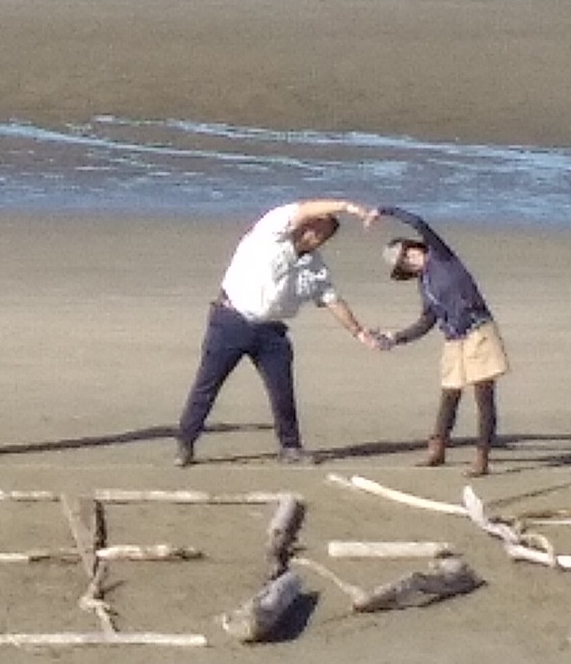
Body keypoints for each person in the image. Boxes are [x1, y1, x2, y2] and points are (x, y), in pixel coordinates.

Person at [173, 197, 386, 467]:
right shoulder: (271, 232)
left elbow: (333, 301)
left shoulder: (315, 267)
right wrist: (348, 207)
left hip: (271, 333)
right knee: (207, 385)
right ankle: (185, 443)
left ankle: (290, 447)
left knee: (282, 391)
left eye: (325, 234)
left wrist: (359, 333)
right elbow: (304, 208)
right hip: (231, 319)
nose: (317, 235)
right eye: (316, 227)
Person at [373, 204, 509, 476]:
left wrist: (384, 211)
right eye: (405, 262)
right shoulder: (423, 285)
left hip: (478, 330)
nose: (410, 259)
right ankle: (438, 449)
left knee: (484, 397)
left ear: (417, 247)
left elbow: (419, 222)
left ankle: (482, 457)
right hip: (453, 339)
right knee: (449, 395)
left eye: (409, 253)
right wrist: (395, 338)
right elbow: (426, 321)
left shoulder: (442, 257)